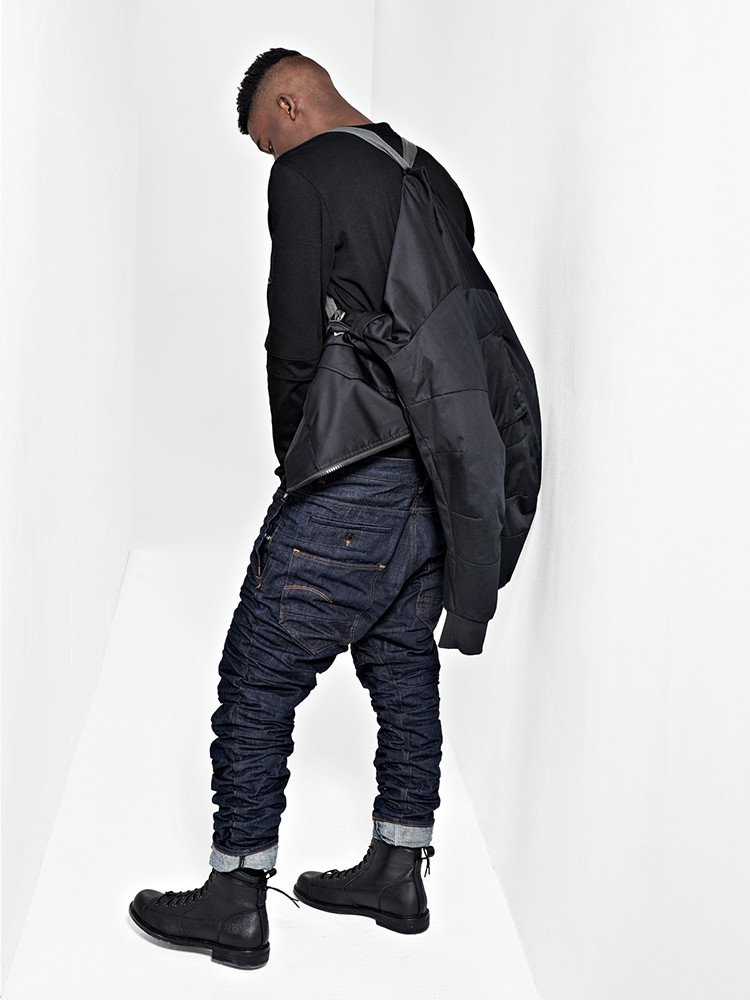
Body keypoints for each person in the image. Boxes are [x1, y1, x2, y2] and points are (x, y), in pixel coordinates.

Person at [129, 47, 476, 970]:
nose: (271, 158)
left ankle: (235, 898)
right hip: (433, 477)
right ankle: (398, 872)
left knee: (257, 673)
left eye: (266, 139)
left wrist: (301, 457)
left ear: (290, 104)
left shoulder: (310, 168)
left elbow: (292, 334)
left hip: (355, 465)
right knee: (400, 662)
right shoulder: (429, 174)